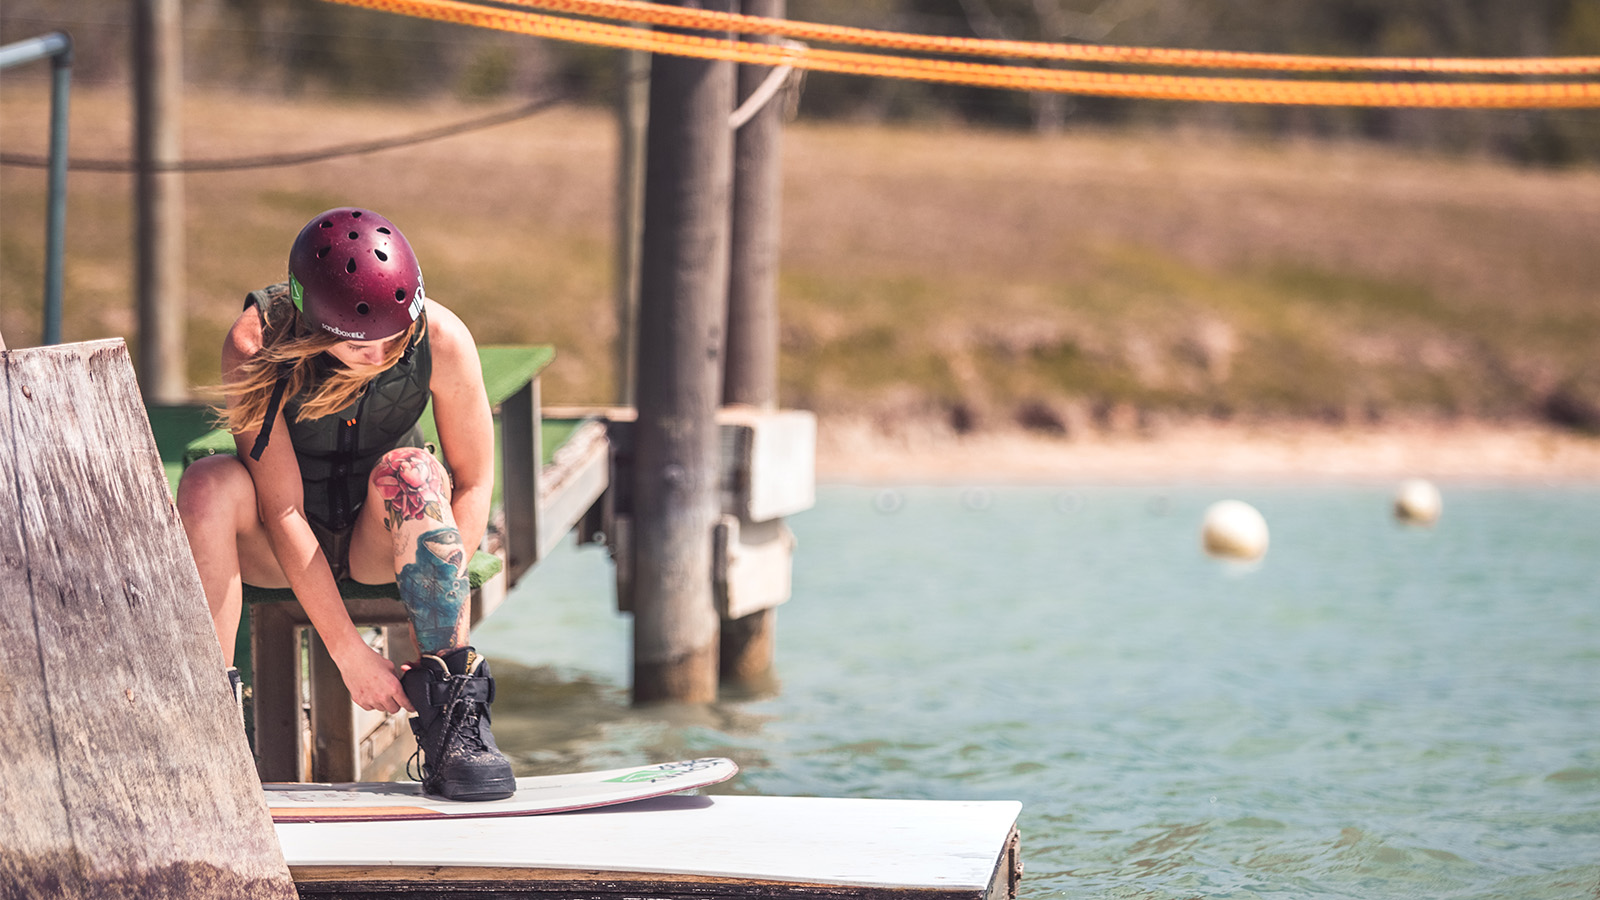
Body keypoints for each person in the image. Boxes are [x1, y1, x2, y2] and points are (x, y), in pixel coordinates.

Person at [177, 207, 514, 801]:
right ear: (315, 323)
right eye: (362, 344)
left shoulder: (440, 336)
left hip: (378, 538)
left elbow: (473, 479)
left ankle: (454, 717)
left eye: (394, 335)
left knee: (414, 471)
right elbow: (281, 510)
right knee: (207, 483)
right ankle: (207, 730)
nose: (382, 352)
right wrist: (348, 652)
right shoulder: (256, 342)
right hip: (279, 540)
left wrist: (441, 627)